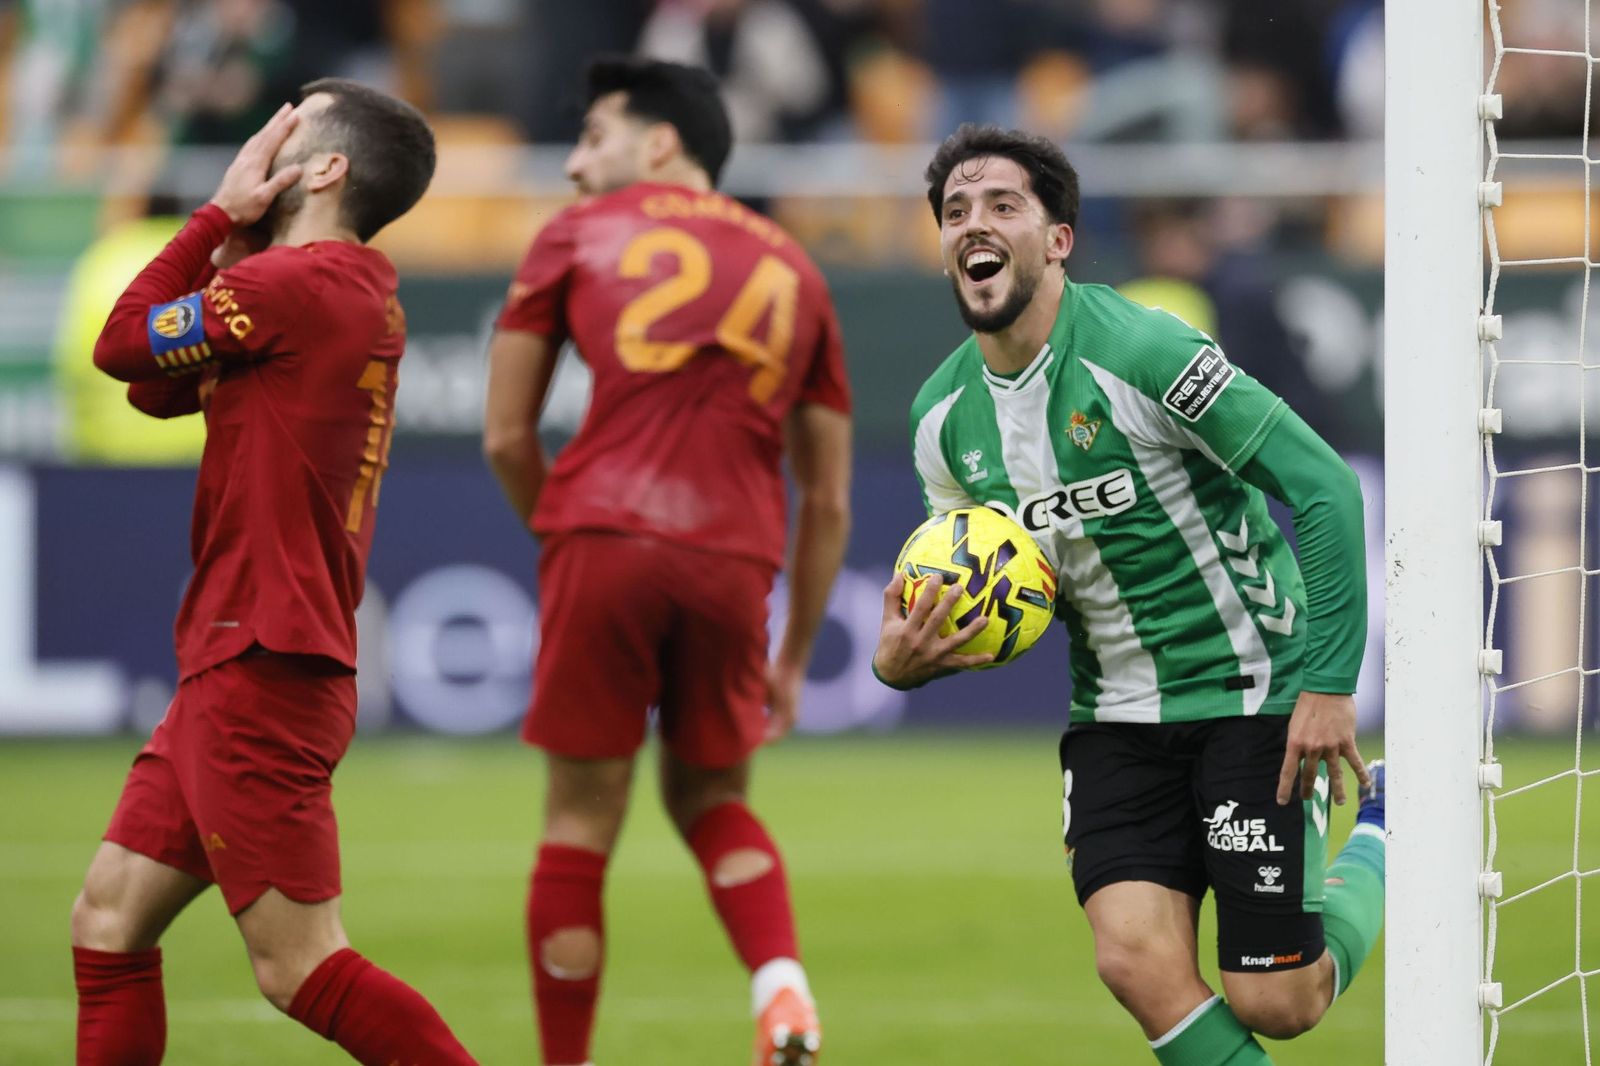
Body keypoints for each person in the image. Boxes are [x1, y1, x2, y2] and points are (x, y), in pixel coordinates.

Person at [872, 124, 1385, 1066]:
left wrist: (1328, 683)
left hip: (1252, 690)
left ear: (1058, 238)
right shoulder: (940, 423)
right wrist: (903, 660)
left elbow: (1324, 486)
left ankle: (1387, 830)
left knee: (1278, 999)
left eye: (1003, 206)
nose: (974, 224)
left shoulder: (1145, 350)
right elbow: (981, 589)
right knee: (1134, 960)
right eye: (955, 211)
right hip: (1113, 712)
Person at [70, 81, 477, 1065]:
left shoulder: (298, 289)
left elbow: (119, 346)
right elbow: (156, 391)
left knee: (299, 966)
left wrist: (215, 214)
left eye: (287, 125)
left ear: (324, 167)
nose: (264, 139)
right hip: (245, 652)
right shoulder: (335, 290)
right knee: (109, 921)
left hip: (260, 660)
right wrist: (236, 255)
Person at [484, 56, 851, 1066]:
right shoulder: (797, 268)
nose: (572, 164)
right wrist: (793, 657)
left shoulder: (574, 234)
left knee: (578, 822)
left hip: (603, 534)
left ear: (659, 143)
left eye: (592, 136)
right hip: (734, 557)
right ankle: (782, 988)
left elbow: (506, 438)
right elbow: (826, 496)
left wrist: (569, 538)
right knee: (713, 800)